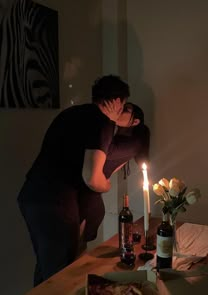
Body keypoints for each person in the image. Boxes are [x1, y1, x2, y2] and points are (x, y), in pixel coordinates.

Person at [17, 75, 130, 286]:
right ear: (116, 101)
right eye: (123, 106)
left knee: (46, 269)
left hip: (32, 196)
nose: (121, 112)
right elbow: (92, 178)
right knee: (61, 276)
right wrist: (106, 184)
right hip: (55, 204)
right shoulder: (101, 121)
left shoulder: (71, 113)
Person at [78, 102, 150, 246]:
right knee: (70, 255)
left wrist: (109, 119)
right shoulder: (112, 136)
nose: (119, 109)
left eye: (125, 109)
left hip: (86, 201)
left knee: (72, 256)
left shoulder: (133, 143)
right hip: (82, 198)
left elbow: (106, 151)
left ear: (135, 121)